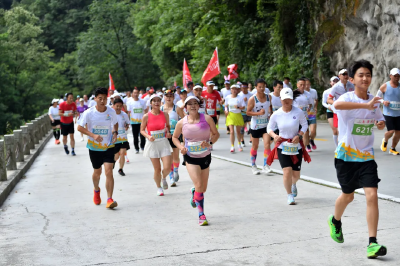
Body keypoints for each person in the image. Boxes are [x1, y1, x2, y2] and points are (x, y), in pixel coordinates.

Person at [327, 60, 387, 259]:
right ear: (352, 79)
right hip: (345, 157)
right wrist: (365, 104)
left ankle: (372, 243)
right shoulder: (347, 97)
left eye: (368, 75)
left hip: (366, 157)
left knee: (372, 195)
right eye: (360, 75)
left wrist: (379, 123)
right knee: (348, 196)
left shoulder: (374, 100)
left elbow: (379, 118)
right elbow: (336, 104)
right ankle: (335, 221)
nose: (365, 78)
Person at [172, 96, 220, 226]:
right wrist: (181, 147)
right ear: (185, 107)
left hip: (205, 155)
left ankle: (195, 192)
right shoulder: (182, 122)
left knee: (202, 188)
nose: (193, 106)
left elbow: (216, 134)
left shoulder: (207, 119)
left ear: (199, 106)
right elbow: (174, 137)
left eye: (195, 103)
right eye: (190, 104)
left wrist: (209, 142)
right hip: (190, 156)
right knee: (199, 184)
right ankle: (201, 215)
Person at [77, 87, 119, 209]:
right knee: (97, 172)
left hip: (108, 145)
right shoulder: (89, 113)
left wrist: (115, 133)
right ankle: (96, 190)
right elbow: (79, 128)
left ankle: (109, 199)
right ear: (95, 99)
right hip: (94, 147)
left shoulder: (110, 111)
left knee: (109, 171)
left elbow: (115, 122)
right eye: (100, 98)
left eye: (104, 99)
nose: (102, 101)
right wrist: (93, 135)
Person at [267, 88, 310, 205]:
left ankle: (293, 184)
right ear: (280, 100)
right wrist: (274, 136)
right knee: (286, 171)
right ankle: (289, 194)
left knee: (296, 175)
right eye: (284, 99)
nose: (286, 101)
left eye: (288, 99)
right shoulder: (276, 114)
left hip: (296, 147)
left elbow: (305, 125)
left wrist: (299, 135)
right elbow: (269, 128)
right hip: (282, 146)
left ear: (292, 99)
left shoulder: (298, 112)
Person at [140, 94, 172, 196]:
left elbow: (168, 127)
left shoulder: (165, 114)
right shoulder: (146, 116)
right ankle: (159, 187)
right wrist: (148, 136)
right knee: (157, 169)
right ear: (151, 103)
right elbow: (142, 130)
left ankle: (163, 178)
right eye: (154, 101)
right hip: (152, 143)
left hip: (163, 142)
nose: (156, 102)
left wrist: (168, 132)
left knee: (167, 167)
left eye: (158, 100)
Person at [247, 78, 273, 175]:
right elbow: (248, 112)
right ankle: (253, 166)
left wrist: (271, 115)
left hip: (266, 125)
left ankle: (265, 166)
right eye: (260, 87)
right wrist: (258, 113)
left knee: (267, 144)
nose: (262, 88)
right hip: (256, 125)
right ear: (256, 87)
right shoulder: (252, 99)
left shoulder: (268, 97)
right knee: (255, 146)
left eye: (263, 86)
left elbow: (270, 107)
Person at [162, 90, 185, 186]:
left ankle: (175, 171)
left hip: (175, 136)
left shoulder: (177, 108)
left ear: (173, 98)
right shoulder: (161, 108)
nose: (168, 98)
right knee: (169, 157)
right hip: (165, 136)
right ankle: (171, 177)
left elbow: (185, 119)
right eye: (166, 96)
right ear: (164, 97)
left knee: (176, 156)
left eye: (170, 96)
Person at [377, 68, 400, 155]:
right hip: (388, 113)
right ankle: (385, 140)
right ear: (390, 76)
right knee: (391, 131)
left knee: (398, 132)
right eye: (395, 76)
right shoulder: (385, 86)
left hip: (398, 113)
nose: (397, 78)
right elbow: (377, 97)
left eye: (398, 76)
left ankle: (393, 148)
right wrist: (383, 101)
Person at [293, 78, 313, 152]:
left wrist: (308, 108)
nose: (302, 86)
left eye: (304, 85)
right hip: (295, 116)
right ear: (297, 85)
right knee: (296, 132)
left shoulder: (308, 94)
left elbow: (310, 103)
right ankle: (296, 147)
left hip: (304, 116)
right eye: (300, 84)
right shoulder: (293, 93)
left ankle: (303, 149)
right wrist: (297, 108)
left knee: (305, 132)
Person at [225, 84, 246, 152]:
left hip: (238, 115)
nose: (234, 90)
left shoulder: (240, 97)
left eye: (235, 89)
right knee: (231, 131)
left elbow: (243, 107)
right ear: (231, 90)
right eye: (232, 89)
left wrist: (238, 107)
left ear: (237, 90)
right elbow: (225, 105)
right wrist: (226, 110)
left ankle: (239, 144)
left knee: (238, 131)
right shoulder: (228, 97)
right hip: (231, 115)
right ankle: (232, 146)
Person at [112, 98, 130, 176]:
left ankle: (120, 169)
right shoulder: (110, 114)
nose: (119, 108)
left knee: (122, 153)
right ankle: (113, 162)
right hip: (114, 138)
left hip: (123, 137)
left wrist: (126, 126)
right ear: (113, 106)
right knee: (116, 156)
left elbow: (127, 124)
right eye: (117, 106)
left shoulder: (124, 115)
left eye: (120, 106)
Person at [127, 88, 148, 153]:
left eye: (137, 93)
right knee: (135, 136)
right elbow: (128, 112)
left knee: (142, 135)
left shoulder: (142, 101)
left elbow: (145, 110)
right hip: (134, 122)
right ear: (132, 94)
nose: (136, 94)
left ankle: (143, 146)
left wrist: (146, 120)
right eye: (134, 93)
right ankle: (136, 148)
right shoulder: (129, 102)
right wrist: (128, 121)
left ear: (139, 93)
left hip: (141, 121)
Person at [322, 76, 340, 147]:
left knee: (340, 130)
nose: (335, 82)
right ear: (330, 82)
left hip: (339, 112)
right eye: (333, 81)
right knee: (335, 130)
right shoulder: (326, 92)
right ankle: (337, 146)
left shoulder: (341, 91)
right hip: (330, 111)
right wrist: (329, 106)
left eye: (336, 81)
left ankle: (341, 146)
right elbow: (323, 102)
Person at [304, 78, 319, 150]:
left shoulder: (313, 91)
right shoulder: (301, 93)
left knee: (313, 131)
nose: (307, 86)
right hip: (304, 115)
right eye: (306, 84)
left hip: (312, 113)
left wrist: (316, 108)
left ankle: (311, 140)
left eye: (308, 84)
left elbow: (316, 100)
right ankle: (307, 145)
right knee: (306, 132)